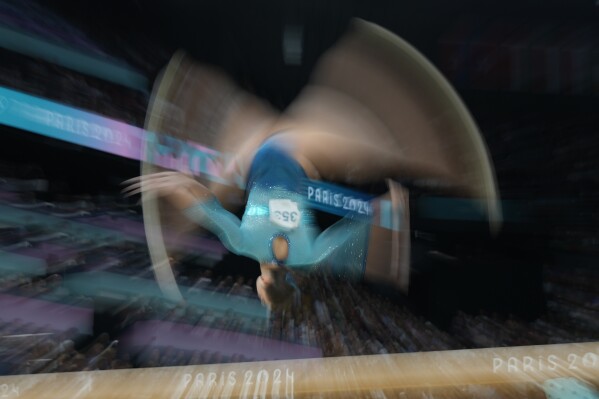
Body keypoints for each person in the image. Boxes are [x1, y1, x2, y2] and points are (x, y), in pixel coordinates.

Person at [129, 19, 501, 310]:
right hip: (272, 150)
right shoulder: (246, 243)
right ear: (260, 286)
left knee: (362, 141)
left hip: (281, 150)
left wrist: (390, 207)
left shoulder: (309, 256)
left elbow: (357, 230)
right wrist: (171, 185)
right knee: (355, 133)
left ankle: (447, 165)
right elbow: (203, 205)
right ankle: (446, 162)